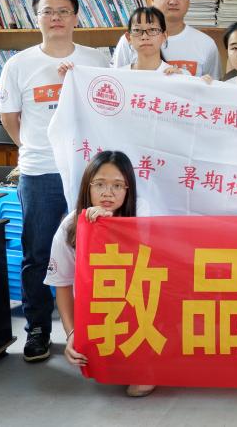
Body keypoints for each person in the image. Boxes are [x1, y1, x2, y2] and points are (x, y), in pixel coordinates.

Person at [0, 0, 111, 362]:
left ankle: (95, 326)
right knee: (38, 251)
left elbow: (109, 108)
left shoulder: (96, 59)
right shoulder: (18, 65)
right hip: (40, 170)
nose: (56, 17)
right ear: (37, 18)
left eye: (63, 11)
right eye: (48, 11)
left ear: (77, 17)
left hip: (87, 171)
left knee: (94, 249)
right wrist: (34, 147)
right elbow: (10, 118)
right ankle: (38, 329)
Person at [45, 151, 154, 398]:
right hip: (99, 309)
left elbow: (141, 265)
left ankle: (145, 365)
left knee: (138, 381)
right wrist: (72, 334)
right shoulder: (70, 226)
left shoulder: (140, 210)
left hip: (137, 303)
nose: (108, 193)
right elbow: (62, 285)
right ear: (88, 186)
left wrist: (109, 226)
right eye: (100, 184)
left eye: (117, 185)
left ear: (127, 189)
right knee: (91, 358)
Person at [111, 0, 220, 78]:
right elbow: (117, 81)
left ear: (188, 0)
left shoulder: (206, 44)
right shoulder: (131, 40)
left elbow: (212, 86)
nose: (173, 1)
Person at [119, 6, 180, 74]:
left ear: (164, 36)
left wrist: (179, 79)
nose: (144, 37)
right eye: (137, 30)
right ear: (128, 38)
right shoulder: (119, 75)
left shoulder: (177, 75)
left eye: (152, 30)